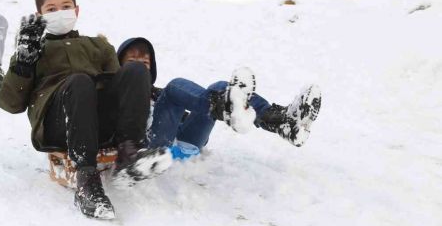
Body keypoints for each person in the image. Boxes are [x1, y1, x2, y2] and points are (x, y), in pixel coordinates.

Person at [0, 0, 172, 220]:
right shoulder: (35, 51)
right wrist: (24, 63)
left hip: (99, 120)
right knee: (78, 82)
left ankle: (129, 153)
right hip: (58, 125)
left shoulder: (97, 46)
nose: (60, 13)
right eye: (51, 9)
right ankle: (87, 180)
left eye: (66, 6)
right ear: (40, 16)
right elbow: (9, 103)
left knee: (134, 69)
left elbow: (121, 86)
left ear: (76, 11)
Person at [117, 38, 322, 153]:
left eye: (145, 61)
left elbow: (183, 117)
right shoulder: (117, 95)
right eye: (133, 61)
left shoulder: (157, 95)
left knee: (220, 87)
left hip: (184, 143)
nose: (141, 64)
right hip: (148, 147)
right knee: (174, 87)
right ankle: (224, 106)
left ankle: (283, 122)